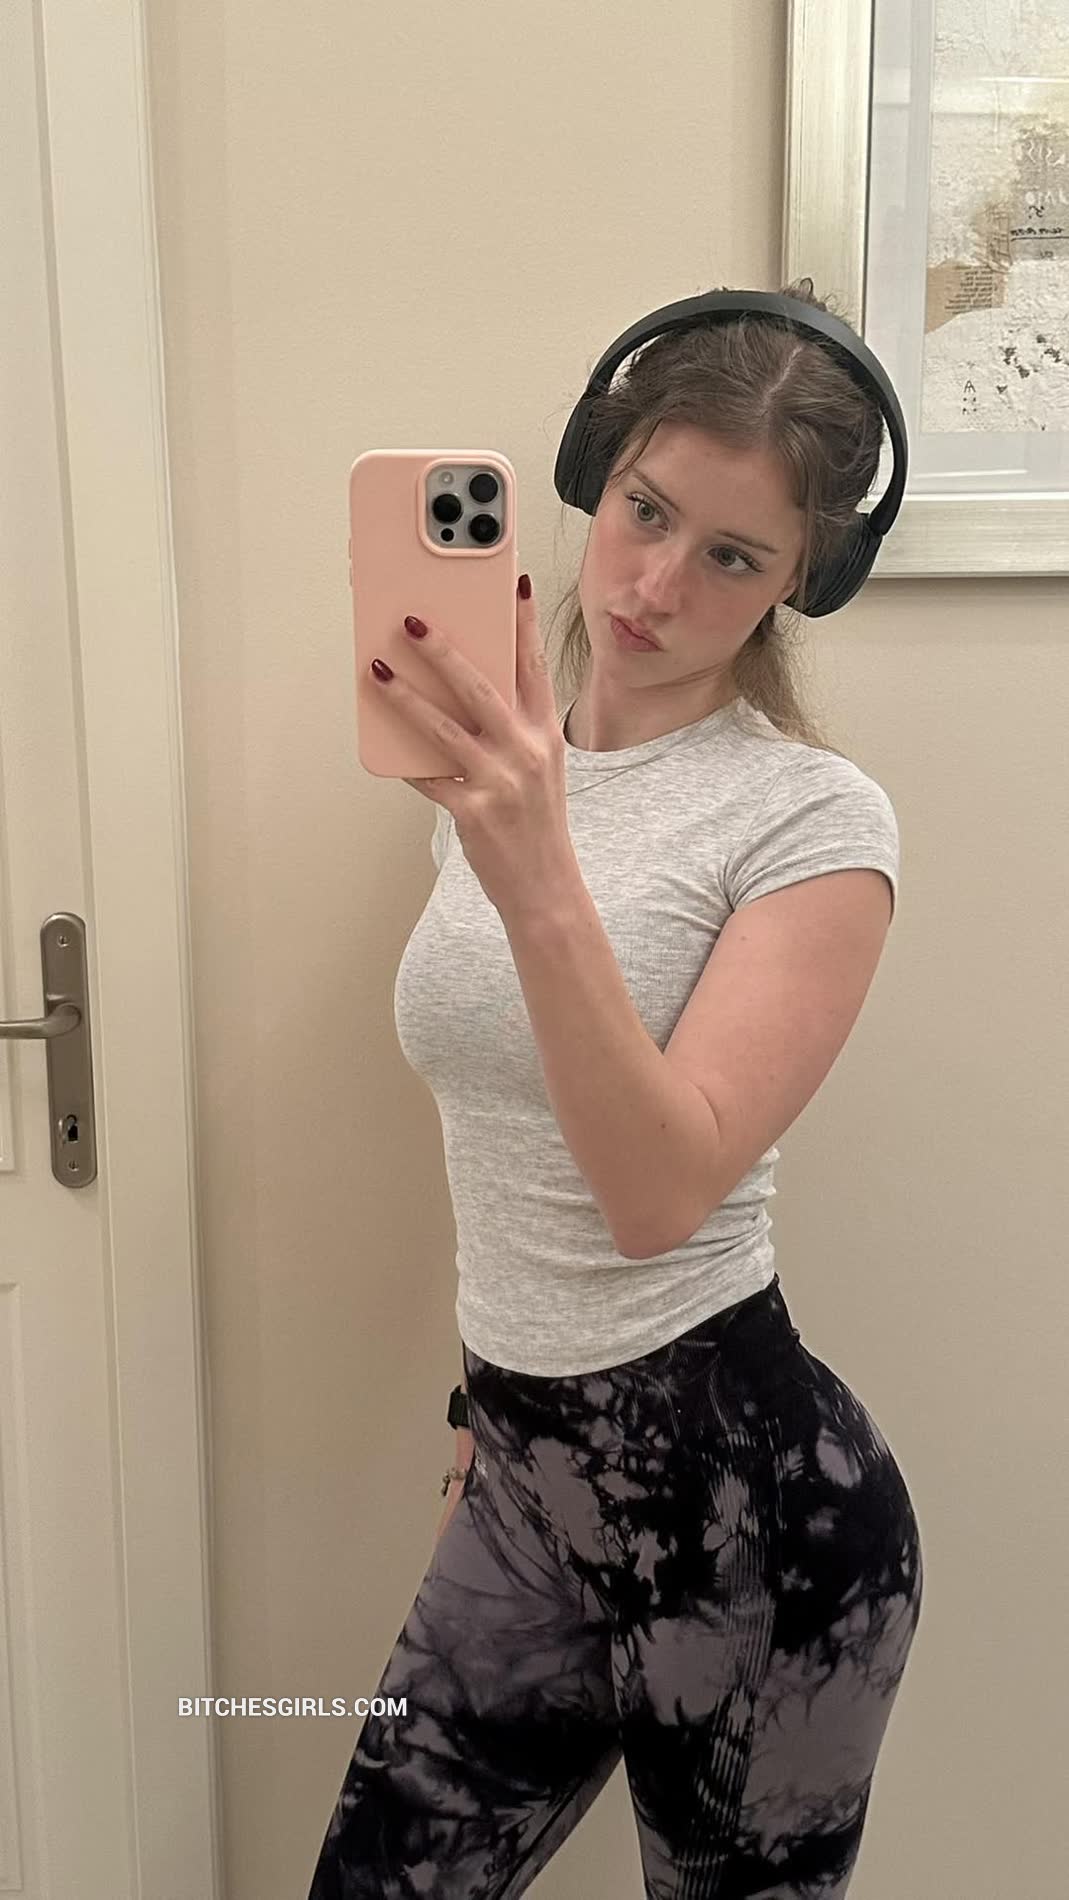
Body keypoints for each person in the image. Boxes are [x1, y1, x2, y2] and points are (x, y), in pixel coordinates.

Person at [306, 279, 924, 1897]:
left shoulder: (811, 822)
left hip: (748, 1517)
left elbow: (656, 1197)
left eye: (731, 556)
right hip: (526, 1483)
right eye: (645, 511)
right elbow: (504, 1126)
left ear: (800, 583)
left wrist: (532, 864)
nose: (654, 585)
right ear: (593, 476)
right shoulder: (494, 780)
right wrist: (486, 1409)